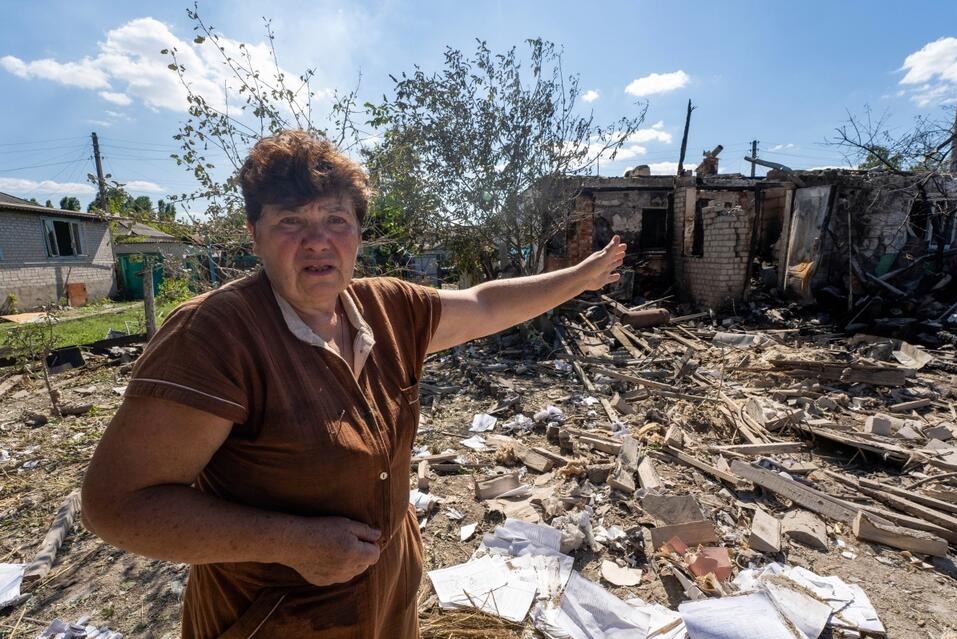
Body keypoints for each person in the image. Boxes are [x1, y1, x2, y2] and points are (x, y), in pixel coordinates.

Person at [81, 129, 626, 638]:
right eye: (291, 221)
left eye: (336, 220)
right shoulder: (215, 334)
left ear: (359, 232)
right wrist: (291, 542)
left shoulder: (386, 308)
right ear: (254, 235)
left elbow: (484, 303)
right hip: (277, 617)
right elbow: (117, 504)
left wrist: (580, 277)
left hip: (387, 599)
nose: (318, 241)